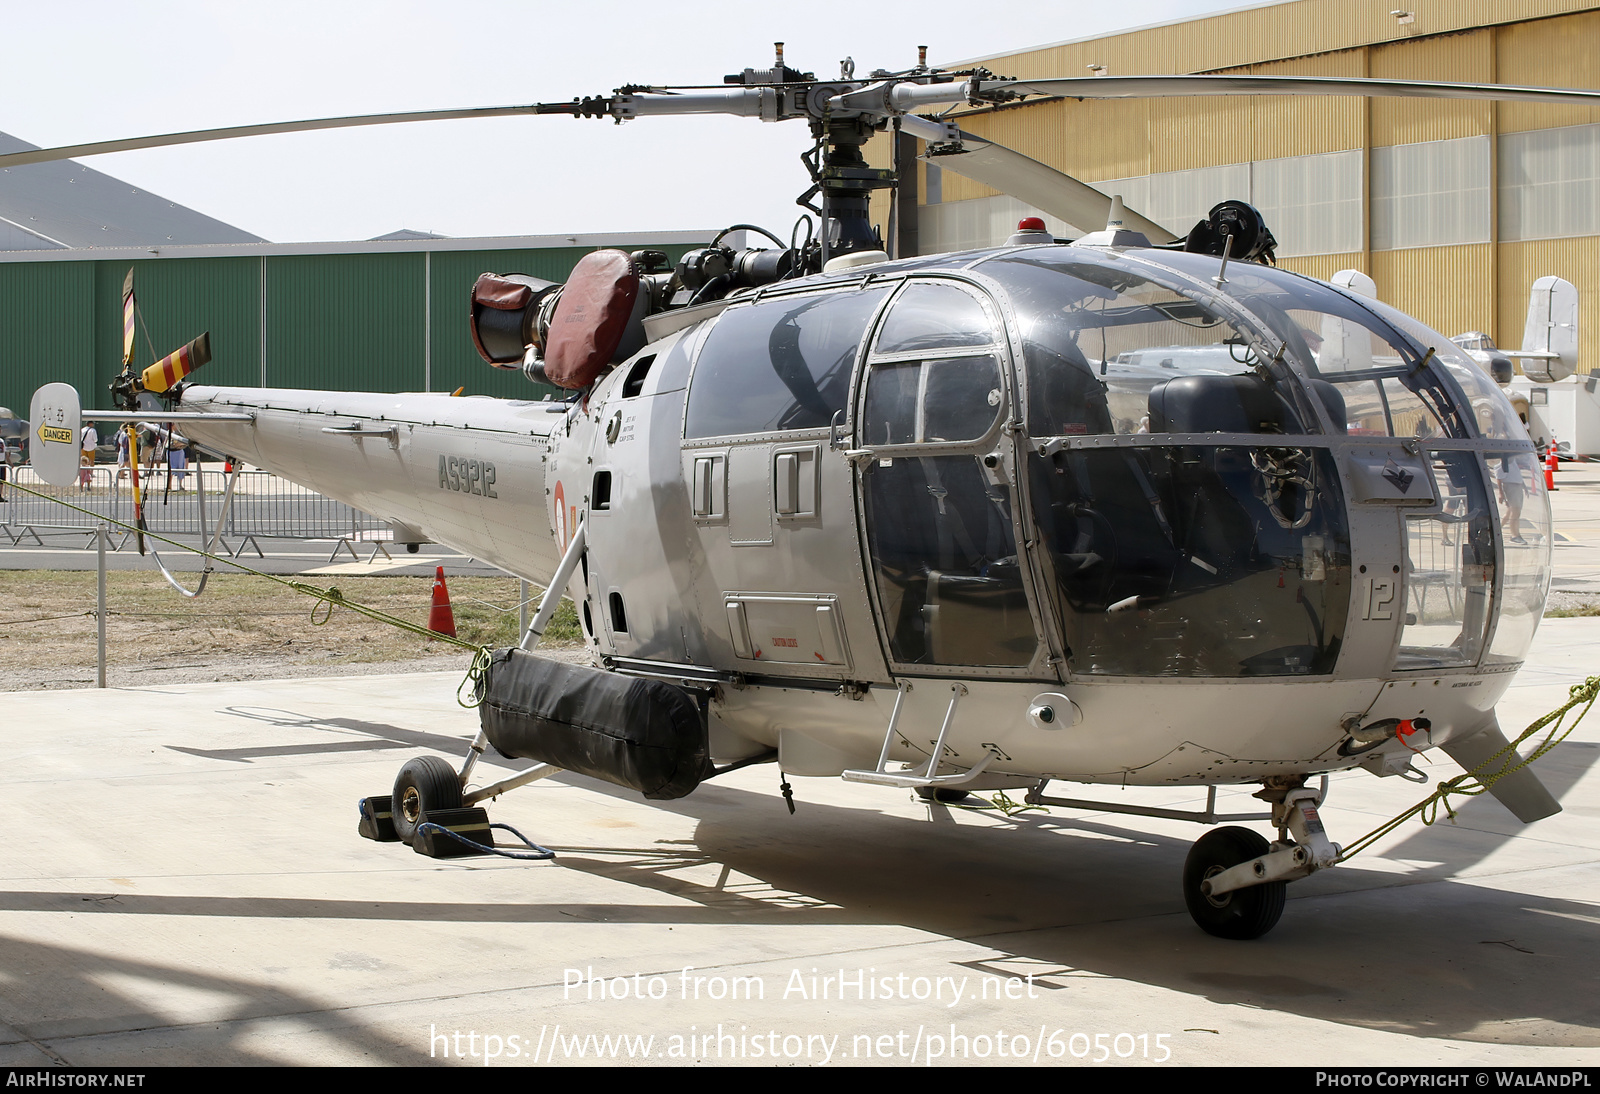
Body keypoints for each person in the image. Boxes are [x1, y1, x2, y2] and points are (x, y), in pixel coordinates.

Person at [78, 423, 98, 490]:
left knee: (83, 460)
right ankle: (90, 473)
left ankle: (82, 472)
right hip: (91, 447)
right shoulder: (93, 430)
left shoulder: (82, 430)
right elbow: (95, 439)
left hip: (83, 447)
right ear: (90, 424)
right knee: (91, 461)